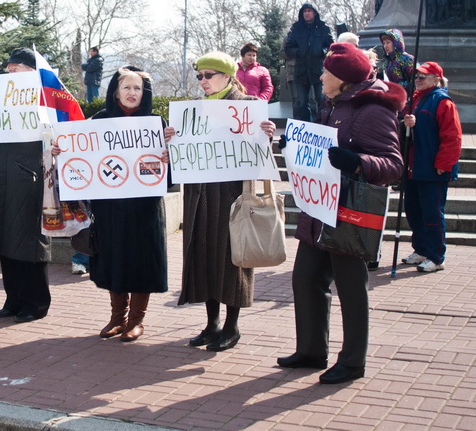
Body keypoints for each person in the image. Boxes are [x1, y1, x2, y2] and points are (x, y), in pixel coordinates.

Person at [277, 43, 405, 384]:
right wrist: (295, 147)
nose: (320, 76)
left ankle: (352, 361)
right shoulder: (331, 104)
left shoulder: (373, 110)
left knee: (351, 287)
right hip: (319, 209)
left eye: (326, 72)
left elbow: (393, 165)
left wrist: (358, 162)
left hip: (349, 214)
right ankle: (311, 350)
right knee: (305, 278)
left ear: (343, 78)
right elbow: (322, 148)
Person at [177, 52, 276, 352]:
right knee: (205, 255)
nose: (203, 81)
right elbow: (184, 148)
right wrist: (173, 136)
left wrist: (267, 135)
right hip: (199, 195)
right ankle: (212, 324)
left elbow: (258, 150)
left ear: (228, 77)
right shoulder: (192, 110)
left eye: (209, 75)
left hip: (232, 194)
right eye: (199, 76)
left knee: (233, 257)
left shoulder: (246, 107)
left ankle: (232, 327)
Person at [81, 66, 172, 342]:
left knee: (141, 260)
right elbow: (80, 155)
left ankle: (136, 321)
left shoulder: (157, 123)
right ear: (115, 92)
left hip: (145, 207)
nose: (132, 93)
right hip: (109, 207)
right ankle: (117, 318)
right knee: (114, 257)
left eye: (137, 88)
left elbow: (172, 170)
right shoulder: (98, 121)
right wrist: (61, 149)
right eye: (126, 88)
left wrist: (171, 157)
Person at [0, 47, 51, 323]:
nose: (9, 71)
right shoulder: (0, 98)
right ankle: (14, 298)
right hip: (1, 174)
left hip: (29, 176)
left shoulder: (45, 99)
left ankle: (36, 302)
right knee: (5, 237)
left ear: (32, 71)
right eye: (8, 67)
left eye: (16, 67)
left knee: (30, 240)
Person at [401, 62, 462, 273]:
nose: (418, 79)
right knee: (414, 210)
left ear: (436, 79)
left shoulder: (443, 102)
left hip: (432, 169)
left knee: (432, 213)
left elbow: (452, 137)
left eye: (423, 76)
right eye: (417, 76)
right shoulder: (415, 100)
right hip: (414, 167)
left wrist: (443, 164)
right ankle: (421, 249)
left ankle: (436, 256)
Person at [284, 3, 334, 122]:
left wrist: (322, 51)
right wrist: (298, 52)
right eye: (304, 11)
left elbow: (331, 46)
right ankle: (305, 127)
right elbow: (288, 48)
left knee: (321, 100)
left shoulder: (323, 28)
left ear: (314, 13)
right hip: (301, 70)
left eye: (309, 11)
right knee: (302, 103)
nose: (306, 13)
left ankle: (322, 125)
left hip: (318, 70)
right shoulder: (296, 28)